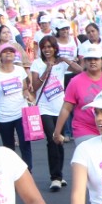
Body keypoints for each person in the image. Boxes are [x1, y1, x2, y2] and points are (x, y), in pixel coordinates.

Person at [29, 36, 76, 191]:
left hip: (60, 108)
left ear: (55, 48)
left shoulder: (61, 64)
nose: (47, 50)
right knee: (52, 139)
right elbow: (34, 87)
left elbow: (80, 70)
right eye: (44, 47)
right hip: (44, 108)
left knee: (59, 140)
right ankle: (55, 177)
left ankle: (60, 175)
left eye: (50, 47)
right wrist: (46, 71)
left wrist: (66, 60)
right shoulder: (37, 63)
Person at [51, 46, 102, 145]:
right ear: (84, 62)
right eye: (89, 59)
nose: (92, 62)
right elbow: (66, 108)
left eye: (96, 59)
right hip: (84, 128)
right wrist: (57, 132)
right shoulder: (75, 81)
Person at [0, 43, 34, 174]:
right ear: (0, 55)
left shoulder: (20, 70)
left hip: (21, 112)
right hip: (3, 115)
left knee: (25, 144)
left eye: (11, 52)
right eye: (5, 52)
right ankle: (12, 173)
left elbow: (24, 87)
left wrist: (26, 93)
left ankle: (28, 171)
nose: (9, 54)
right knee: (9, 147)